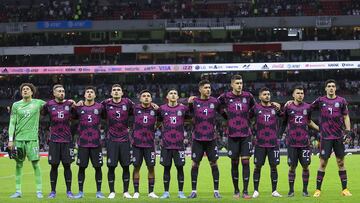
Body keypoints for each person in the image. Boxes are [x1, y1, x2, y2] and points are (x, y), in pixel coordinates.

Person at [311, 80, 352, 197]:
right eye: (329, 86)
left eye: (333, 86)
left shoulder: (341, 101)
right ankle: (318, 190)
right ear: (325, 88)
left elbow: (346, 116)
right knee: (323, 163)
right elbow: (307, 108)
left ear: (335, 88)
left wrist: (348, 131)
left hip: (338, 137)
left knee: (341, 162)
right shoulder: (320, 100)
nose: (331, 88)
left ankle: (345, 189)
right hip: (325, 138)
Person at [218, 75, 255, 199]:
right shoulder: (225, 96)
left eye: (241, 83)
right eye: (237, 83)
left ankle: (245, 192)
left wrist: (248, 120)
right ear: (232, 84)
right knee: (234, 163)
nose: (240, 85)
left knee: (245, 162)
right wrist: (226, 117)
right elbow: (216, 105)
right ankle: (236, 191)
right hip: (232, 135)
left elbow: (256, 109)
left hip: (245, 135)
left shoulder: (248, 96)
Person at [280, 85, 319, 197]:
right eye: (298, 93)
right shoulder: (288, 107)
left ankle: (305, 190)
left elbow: (309, 121)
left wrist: (319, 128)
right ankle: (291, 191)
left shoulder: (308, 107)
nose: (300, 95)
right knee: (292, 167)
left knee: (306, 166)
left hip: (305, 143)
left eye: (302, 93)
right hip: (292, 143)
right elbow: (284, 122)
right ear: (293, 95)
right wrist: (279, 135)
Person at [8, 83, 46, 198]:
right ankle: (18, 191)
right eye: (23, 89)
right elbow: (12, 122)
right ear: (21, 92)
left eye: (27, 89)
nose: (25, 91)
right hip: (19, 139)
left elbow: (54, 104)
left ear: (32, 92)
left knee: (36, 164)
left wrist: (70, 102)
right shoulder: (16, 105)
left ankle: (39, 191)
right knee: (18, 165)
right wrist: (10, 139)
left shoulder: (38, 103)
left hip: (32, 140)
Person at [188, 80, 222, 199]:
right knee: (195, 164)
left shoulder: (215, 101)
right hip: (197, 138)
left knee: (214, 163)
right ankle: (193, 191)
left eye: (209, 87)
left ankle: (216, 191)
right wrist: (188, 103)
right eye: (206, 87)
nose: (208, 89)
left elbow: (224, 112)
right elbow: (186, 114)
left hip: (211, 138)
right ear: (200, 89)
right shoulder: (194, 102)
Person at [43, 84, 76, 198]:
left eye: (63, 91)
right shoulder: (48, 105)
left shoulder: (70, 104)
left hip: (67, 140)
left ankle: (69, 191)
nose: (62, 93)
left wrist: (77, 104)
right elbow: (41, 113)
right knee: (54, 166)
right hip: (54, 140)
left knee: (67, 166)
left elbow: (77, 116)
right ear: (54, 93)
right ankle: (53, 191)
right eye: (59, 91)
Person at [102, 84, 133, 199]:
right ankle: (112, 191)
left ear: (122, 93)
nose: (116, 91)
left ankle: (125, 191)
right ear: (111, 93)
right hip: (111, 140)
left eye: (118, 90)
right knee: (111, 166)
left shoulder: (127, 102)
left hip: (125, 140)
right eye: (114, 90)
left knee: (126, 166)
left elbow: (139, 109)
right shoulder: (105, 103)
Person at [73, 86, 105, 199]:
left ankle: (99, 192)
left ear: (95, 95)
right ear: (84, 95)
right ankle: (80, 192)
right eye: (88, 92)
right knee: (81, 168)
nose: (90, 94)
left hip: (96, 143)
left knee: (98, 167)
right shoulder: (79, 107)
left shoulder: (100, 107)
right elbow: (71, 117)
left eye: (92, 92)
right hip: (83, 143)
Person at [251, 87, 282, 198]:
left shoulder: (275, 108)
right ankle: (255, 190)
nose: (267, 96)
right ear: (259, 96)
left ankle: (274, 191)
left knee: (274, 167)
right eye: (264, 94)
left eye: (268, 94)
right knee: (257, 166)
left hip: (273, 143)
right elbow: (247, 120)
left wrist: (283, 105)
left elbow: (285, 117)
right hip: (260, 143)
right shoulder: (255, 108)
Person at [158, 89, 189, 199]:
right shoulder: (162, 109)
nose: (173, 95)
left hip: (179, 145)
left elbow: (190, 119)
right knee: (166, 168)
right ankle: (166, 192)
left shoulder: (183, 108)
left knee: (180, 168)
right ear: (167, 96)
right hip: (166, 145)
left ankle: (180, 192)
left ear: (178, 96)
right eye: (171, 93)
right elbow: (157, 121)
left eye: (175, 93)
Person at [131, 90, 159, 199]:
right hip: (137, 144)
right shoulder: (134, 108)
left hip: (150, 144)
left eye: (148, 96)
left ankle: (151, 192)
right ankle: (136, 191)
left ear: (151, 99)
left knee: (151, 168)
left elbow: (162, 119)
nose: (146, 97)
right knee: (136, 167)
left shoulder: (156, 110)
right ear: (140, 98)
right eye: (144, 96)